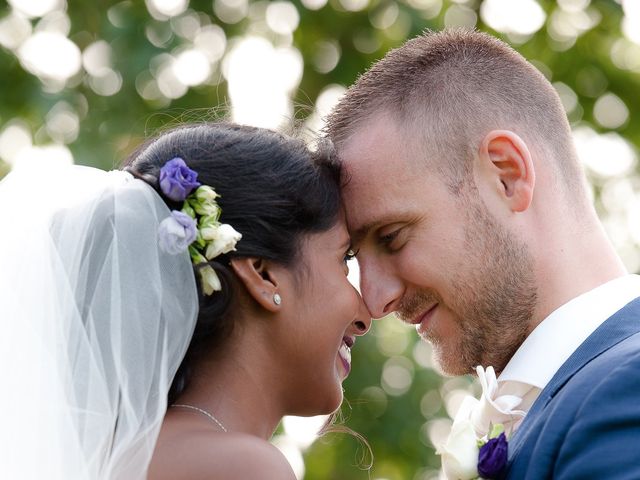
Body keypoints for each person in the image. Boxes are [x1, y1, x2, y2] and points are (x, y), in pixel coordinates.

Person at [325, 28, 640, 479]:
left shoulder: (628, 391)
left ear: (506, 175)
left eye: (392, 237)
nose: (374, 301)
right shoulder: (552, 404)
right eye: (354, 258)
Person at [0, 122, 371, 480]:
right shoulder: (241, 469)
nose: (365, 315)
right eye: (343, 261)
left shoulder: (125, 459)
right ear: (262, 273)